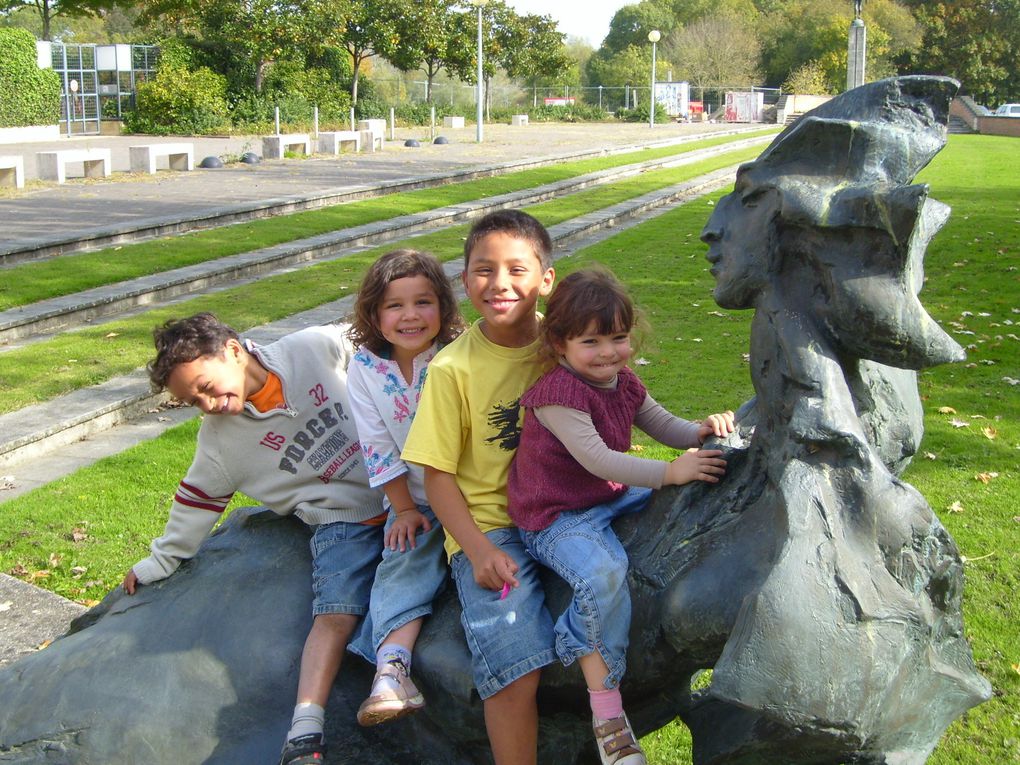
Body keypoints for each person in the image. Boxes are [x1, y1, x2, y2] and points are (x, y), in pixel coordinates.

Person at [120, 312, 384, 765]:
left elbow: (378, 337)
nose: (205, 404)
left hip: (408, 482)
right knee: (335, 610)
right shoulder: (221, 445)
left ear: (234, 350)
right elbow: (195, 502)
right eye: (191, 401)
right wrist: (160, 561)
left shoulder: (311, 348)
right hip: (344, 521)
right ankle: (305, 727)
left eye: (204, 386)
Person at [505, 268, 733, 765]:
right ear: (560, 344)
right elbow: (599, 459)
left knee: (695, 507)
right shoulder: (557, 396)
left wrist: (700, 431)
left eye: (619, 338)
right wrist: (670, 472)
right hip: (557, 515)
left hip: (608, 496)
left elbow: (660, 422)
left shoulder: (621, 380)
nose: (609, 352)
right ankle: (608, 712)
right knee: (602, 573)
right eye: (592, 341)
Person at [401, 209, 558, 765]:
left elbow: (625, 398)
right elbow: (437, 477)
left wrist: (692, 434)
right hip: (496, 525)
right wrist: (478, 548)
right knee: (515, 663)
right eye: (483, 270)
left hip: (569, 511)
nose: (500, 283)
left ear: (546, 278)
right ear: (464, 281)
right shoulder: (452, 370)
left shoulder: (565, 345)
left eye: (517, 268)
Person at [344, 249, 463, 725]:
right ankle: (392, 671)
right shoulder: (366, 368)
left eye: (424, 302)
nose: (410, 316)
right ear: (374, 314)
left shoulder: (461, 354)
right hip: (413, 497)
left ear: (444, 307)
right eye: (395, 305)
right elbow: (376, 445)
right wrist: (405, 510)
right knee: (401, 562)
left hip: (471, 493)